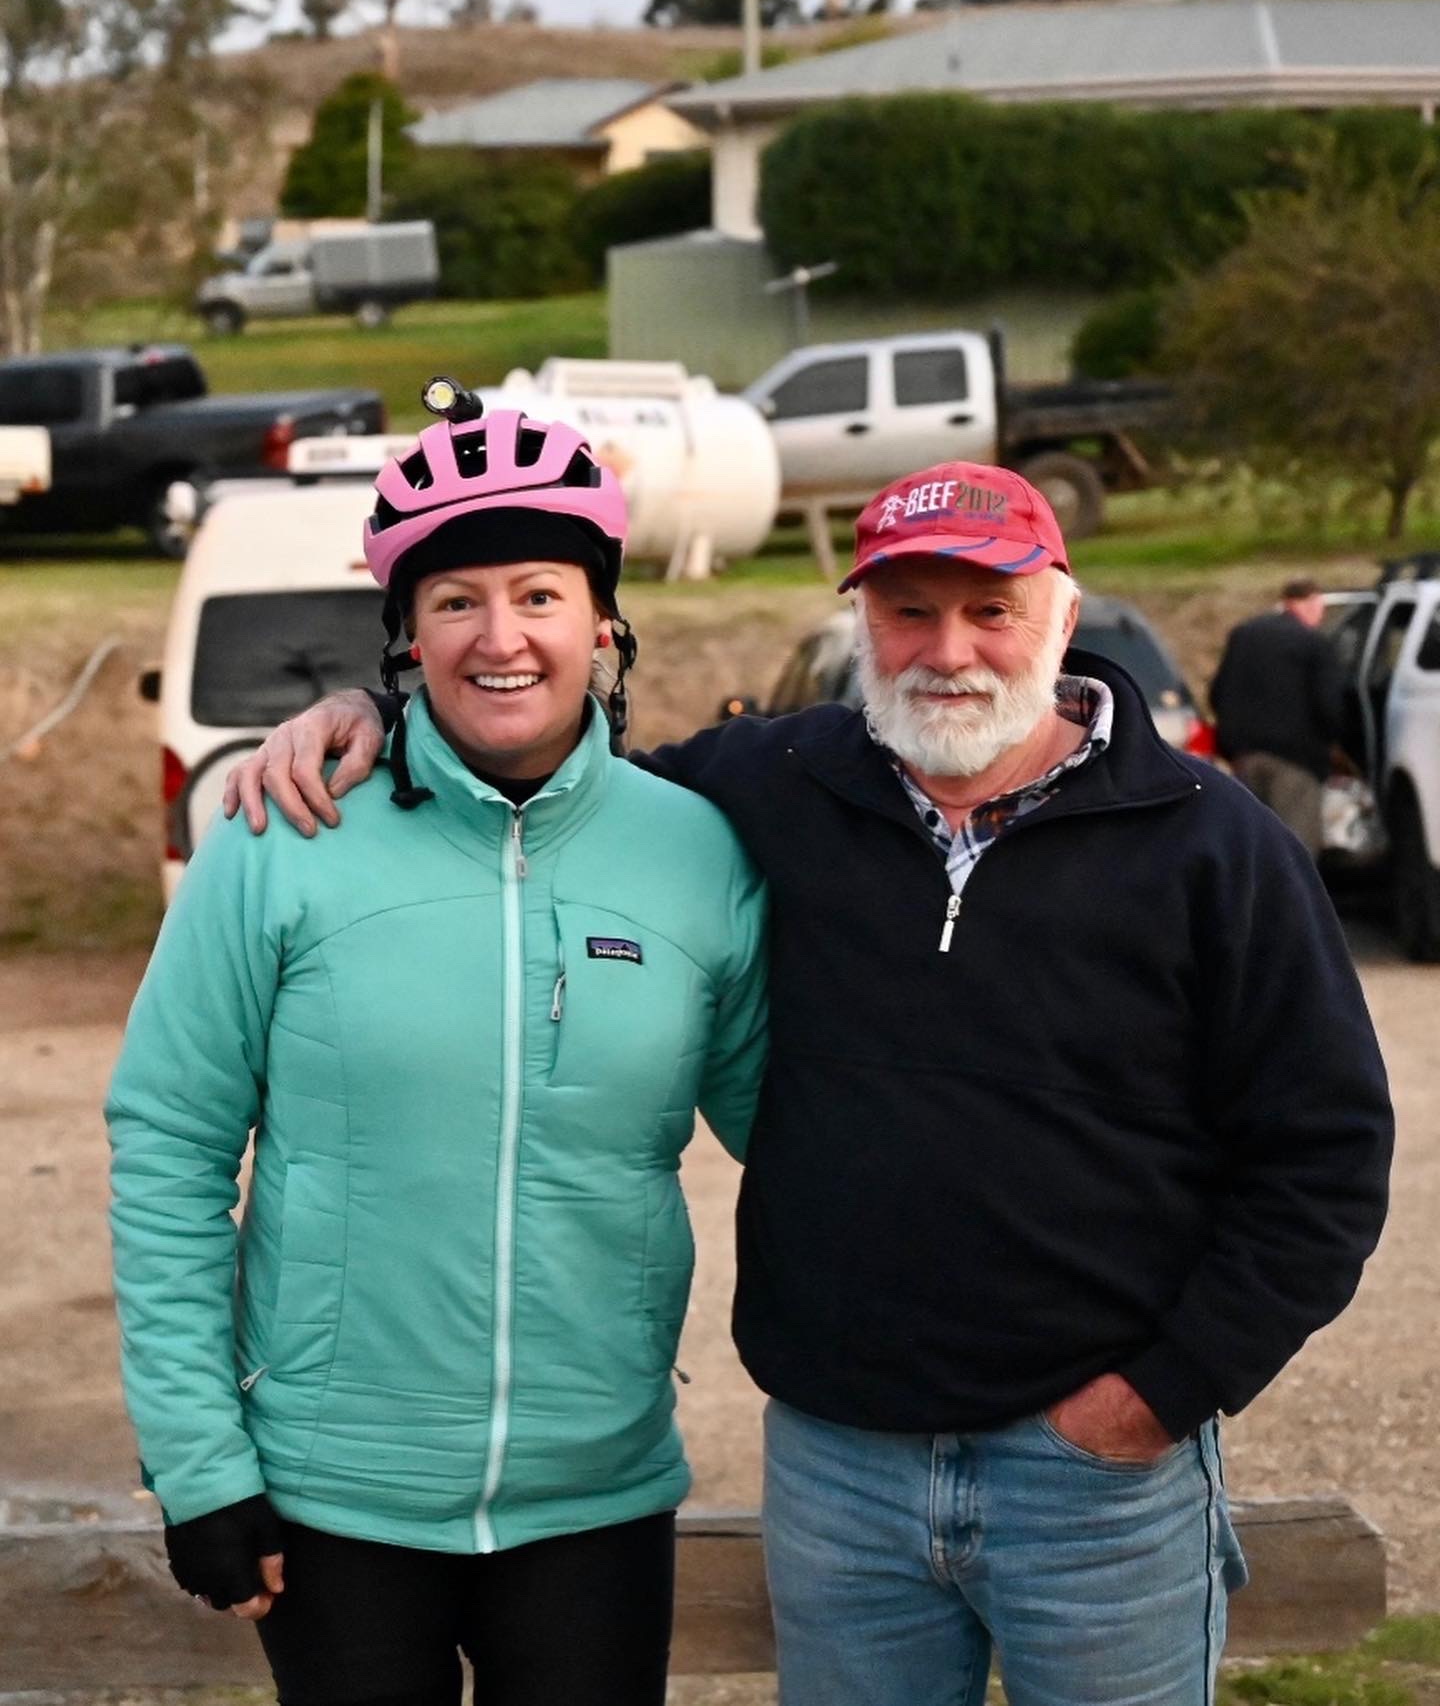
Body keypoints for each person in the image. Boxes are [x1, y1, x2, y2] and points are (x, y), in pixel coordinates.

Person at [226, 459, 1393, 1706]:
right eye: (908, 610)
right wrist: (367, 709)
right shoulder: (767, 785)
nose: (948, 648)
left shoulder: (1214, 843)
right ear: (861, 623)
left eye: (990, 610)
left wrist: (1155, 1400)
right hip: (843, 1470)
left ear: (1060, 616)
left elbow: (1323, 1161)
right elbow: (545, 760)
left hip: (1099, 1476)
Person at [107, 390, 769, 1706]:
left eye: (540, 592)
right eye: (455, 598)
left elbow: (801, 1132)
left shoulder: (698, 850)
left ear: (603, 622)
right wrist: (199, 1460)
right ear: (404, 633)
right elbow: (169, 1148)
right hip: (334, 1497)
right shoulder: (277, 831)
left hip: (596, 1491)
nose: (501, 634)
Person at [1209, 577, 1350, 856]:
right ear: (1308, 603)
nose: (1320, 616)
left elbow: (1217, 693)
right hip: (1296, 763)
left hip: (1244, 758)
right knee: (1295, 852)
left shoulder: (1244, 635)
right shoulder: (1313, 643)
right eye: (1319, 608)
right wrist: (1339, 744)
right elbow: (1328, 705)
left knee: (1251, 848)